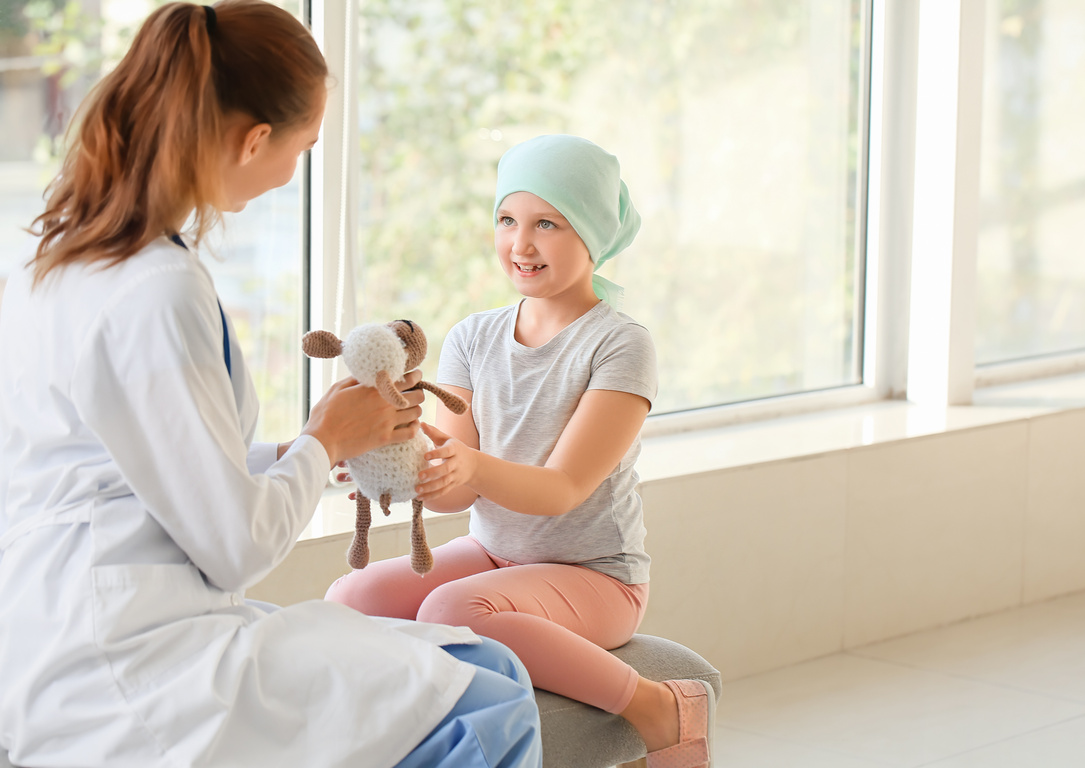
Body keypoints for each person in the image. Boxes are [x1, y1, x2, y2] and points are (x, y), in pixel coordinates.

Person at [0, 2, 542, 766]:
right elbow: (235, 547)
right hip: (127, 665)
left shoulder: (56, 258)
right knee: (490, 704)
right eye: (305, 147)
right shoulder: (156, 290)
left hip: (53, 630)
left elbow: (138, 460)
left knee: (475, 666)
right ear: (256, 140)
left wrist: (298, 448)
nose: (297, 170)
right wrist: (324, 444)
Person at [325, 134, 714, 768]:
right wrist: (393, 451)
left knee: (454, 607)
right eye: (507, 220)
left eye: (547, 224)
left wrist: (472, 465)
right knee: (350, 600)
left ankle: (655, 706)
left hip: (596, 576)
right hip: (493, 552)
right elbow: (456, 489)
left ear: (591, 234)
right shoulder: (474, 337)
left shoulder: (619, 345)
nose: (520, 244)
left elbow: (563, 488)